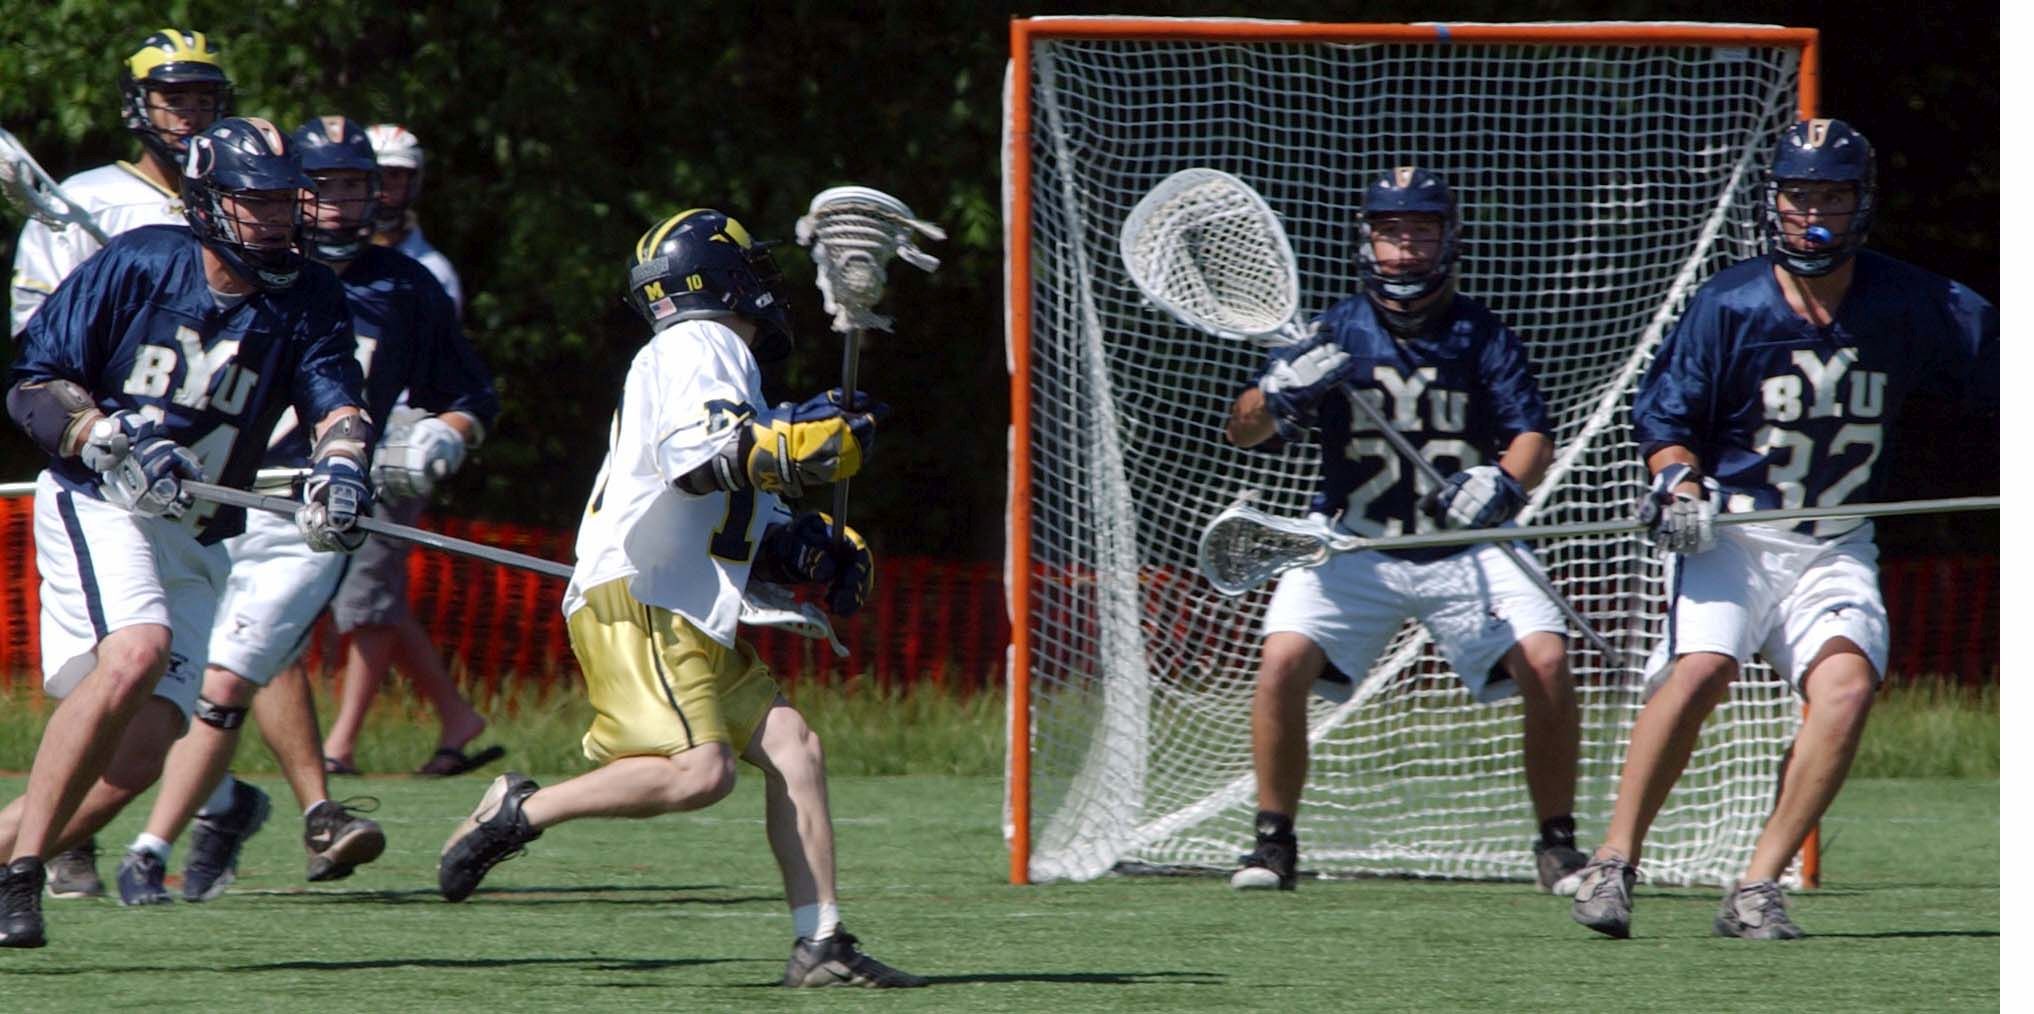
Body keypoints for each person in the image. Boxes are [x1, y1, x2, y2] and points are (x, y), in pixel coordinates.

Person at [435, 209, 922, 988]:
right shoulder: (702, 343)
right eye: (753, 271)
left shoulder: (716, 360)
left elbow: (729, 505)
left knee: (794, 748)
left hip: (687, 602)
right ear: (725, 279)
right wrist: (793, 446)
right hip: (643, 597)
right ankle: (517, 812)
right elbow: (698, 461)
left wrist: (805, 545)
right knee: (701, 773)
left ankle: (821, 943)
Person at [1569, 118, 1998, 941]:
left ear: (1862, 202)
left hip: (1835, 542)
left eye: (1832, 196)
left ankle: (1757, 886)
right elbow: (1665, 418)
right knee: (1701, 670)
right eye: (1800, 197)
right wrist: (1677, 480)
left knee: (1847, 689)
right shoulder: (1730, 303)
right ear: (1774, 203)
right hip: (1736, 536)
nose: (1814, 215)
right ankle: (1614, 859)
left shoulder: (1915, 301)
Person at [0, 116, 370, 947]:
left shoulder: (307, 294)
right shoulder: (142, 263)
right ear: (207, 202)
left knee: (145, 751)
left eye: (284, 202)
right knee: (136, 653)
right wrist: (104, 434)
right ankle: (23, 879)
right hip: (105, 501)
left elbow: (335, 398)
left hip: (197, 530)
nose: (274, 219)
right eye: (255, 202)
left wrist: (343, 467)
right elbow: (32, 381)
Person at [117, 116, 501, 905]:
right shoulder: (246, 270)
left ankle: (148, 852)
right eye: (322, 186)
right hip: (207, 497)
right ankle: (230, 806)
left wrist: (444, 435)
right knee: (157, 676)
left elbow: (469, 394)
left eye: (355, 185)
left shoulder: (405, 285)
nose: (338, 203)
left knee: (226, 680)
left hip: (308, 509)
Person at [1222, 167, 1584, 893]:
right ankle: (1272, 843)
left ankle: (1557, 845)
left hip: (1467, 548)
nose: (1406, 249)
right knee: (1282, 660)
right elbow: (1243, 430)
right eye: (1391, 233)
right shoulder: (1332, 331)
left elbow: (1532, 437)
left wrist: (1504, 485)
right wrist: (1279, 392)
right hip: (1356, 542)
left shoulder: (1482, 333)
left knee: (1547, 662)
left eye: (1421, 232)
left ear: (1449, 240)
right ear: (1368, 242)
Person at [5, 27, 235, 901]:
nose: (191, 114)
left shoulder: (240, 200)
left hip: (197, 481)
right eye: (175, 98)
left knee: (152, 727)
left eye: (204, 97)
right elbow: (36, 349)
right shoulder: (86, 203)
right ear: (141, 107)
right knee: (120, 665)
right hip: (106, 469)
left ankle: (46, 841)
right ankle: (50, 848)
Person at [319, 121, 497, 777]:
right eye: (379, 177)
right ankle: (456, 715)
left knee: (365, 597)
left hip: (395, 446)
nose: (388, 191)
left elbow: (443, 379)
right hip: (331, 442)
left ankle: (339, 745)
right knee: (377, 596)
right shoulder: (313, 262)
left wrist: (421, 443)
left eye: (399, 178)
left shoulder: (426, 271)